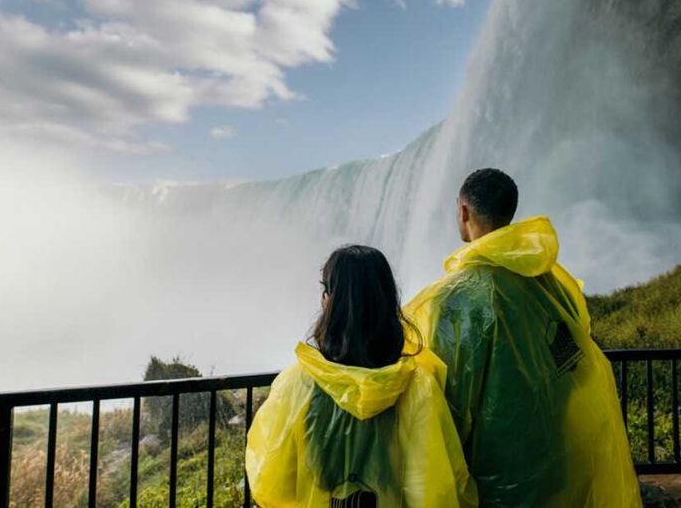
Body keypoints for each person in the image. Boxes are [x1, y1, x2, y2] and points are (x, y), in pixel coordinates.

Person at [405, 168, 642, 507]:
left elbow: (443, 403)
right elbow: (577, 363)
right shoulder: (549, 283)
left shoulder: (453, 299)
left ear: (463, 212)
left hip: (493, 483)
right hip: (558, 467)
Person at [246, 245, 478, 508]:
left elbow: (270, 484)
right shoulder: (417, 389)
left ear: (327, 301)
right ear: (388, 302)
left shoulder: (297, 385)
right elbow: (434, 493)